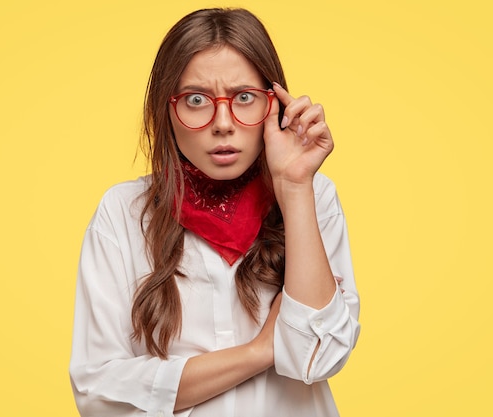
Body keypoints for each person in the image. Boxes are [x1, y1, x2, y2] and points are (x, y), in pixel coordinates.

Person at [69, 7, 360, 417]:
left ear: (275, 105)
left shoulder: (313, 195)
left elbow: (318, 357)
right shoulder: (122, 212)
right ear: (167, 110)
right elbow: (99, 392)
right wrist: (261, 350)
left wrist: (294, 186)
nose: (223, 123)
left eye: (244, 97)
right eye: (196, 100)